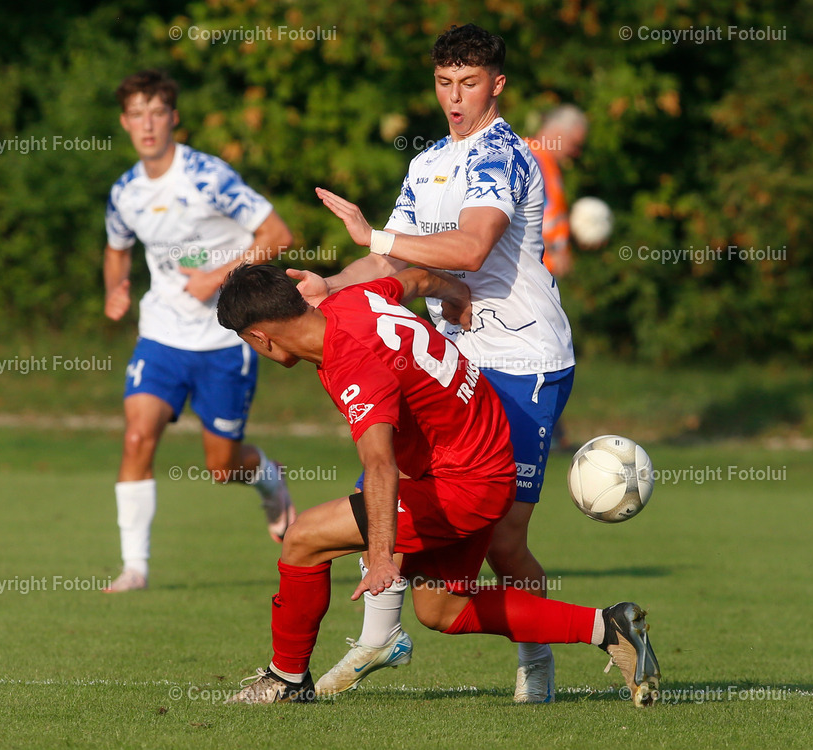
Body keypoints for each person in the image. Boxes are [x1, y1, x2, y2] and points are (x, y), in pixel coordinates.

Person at [215, 263, 660, 707]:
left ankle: (286, 680)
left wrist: (384, 557)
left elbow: (380, 465)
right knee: (441, 609)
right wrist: (458, 296)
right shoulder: (353, 300)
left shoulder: (352, 361)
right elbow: (416, 279)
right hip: (484, 456)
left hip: (465, 484)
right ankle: (608, 627)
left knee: (304, 538)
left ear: (260, 338)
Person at [297, 23, 574, 702]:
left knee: (506, 541)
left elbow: (472, 248)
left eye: (469, 83)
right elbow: (393, 259)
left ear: (497, 85)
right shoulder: (426, 164)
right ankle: (379, 634)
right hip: (453, 360)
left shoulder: (507, 154)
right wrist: (329, 287)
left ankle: (537, 653)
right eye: (445, 82)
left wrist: (379, 234)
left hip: (523, 362)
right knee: (400, 487)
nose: (455, 96)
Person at [102, 70, 297, 593]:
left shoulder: (209, 177)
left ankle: (269, 480)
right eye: (137, 114)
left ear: (173, 118)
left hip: (222, 340)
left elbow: (277, 233)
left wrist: (216, 276)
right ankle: (135, 568)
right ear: (125, 122)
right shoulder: (124, 192)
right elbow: (117, 248)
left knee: (221, 466)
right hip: (161, 334)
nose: (147, 124)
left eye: (156, 112)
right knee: (138, 435)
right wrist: (115, 287)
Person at [529, 104, 589, 278]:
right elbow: (517, 216)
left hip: (541, 273)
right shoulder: (531, 159)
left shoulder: (548, 164)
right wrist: (554, 251)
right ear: (557, 133)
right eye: (575, 144)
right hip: (529, 273)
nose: (576, 152)